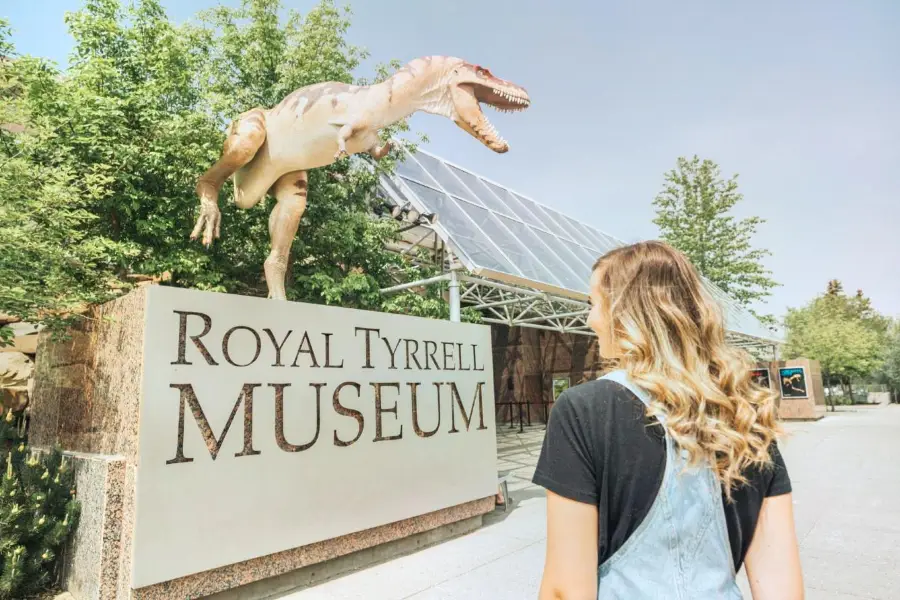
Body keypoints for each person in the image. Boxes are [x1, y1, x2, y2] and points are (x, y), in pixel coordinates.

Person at [533, 241, 803, 599]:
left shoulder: (584, 408)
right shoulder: (744, 413)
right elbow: (781, 587)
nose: (589, 320)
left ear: (624, 313)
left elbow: (565, 589)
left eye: (593, 304)